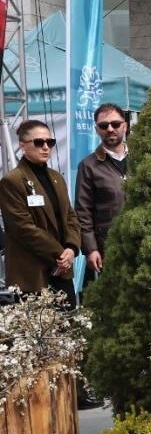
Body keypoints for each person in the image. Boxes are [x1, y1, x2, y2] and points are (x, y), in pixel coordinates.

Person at [0, 121, 81, 306]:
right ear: (22, 146)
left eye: (50, 142)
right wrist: (60, 254)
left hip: (62, 270)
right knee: (37, 325)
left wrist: (71, 248)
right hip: (32, 274)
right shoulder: (12, 181)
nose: (45, 147)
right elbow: (23, 228)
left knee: (69, 321)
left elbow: (70, 216)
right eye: (39, 142)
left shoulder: (57, 177)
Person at [75, 103, 130, 287]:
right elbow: (83, 212)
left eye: (115, 124)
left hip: (144, 242)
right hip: (109, 247)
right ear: (97, 130)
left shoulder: (142, 159)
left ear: (125, 125)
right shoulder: (88, 165)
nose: (110, 129)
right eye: (104, 125)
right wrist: (91, 249)